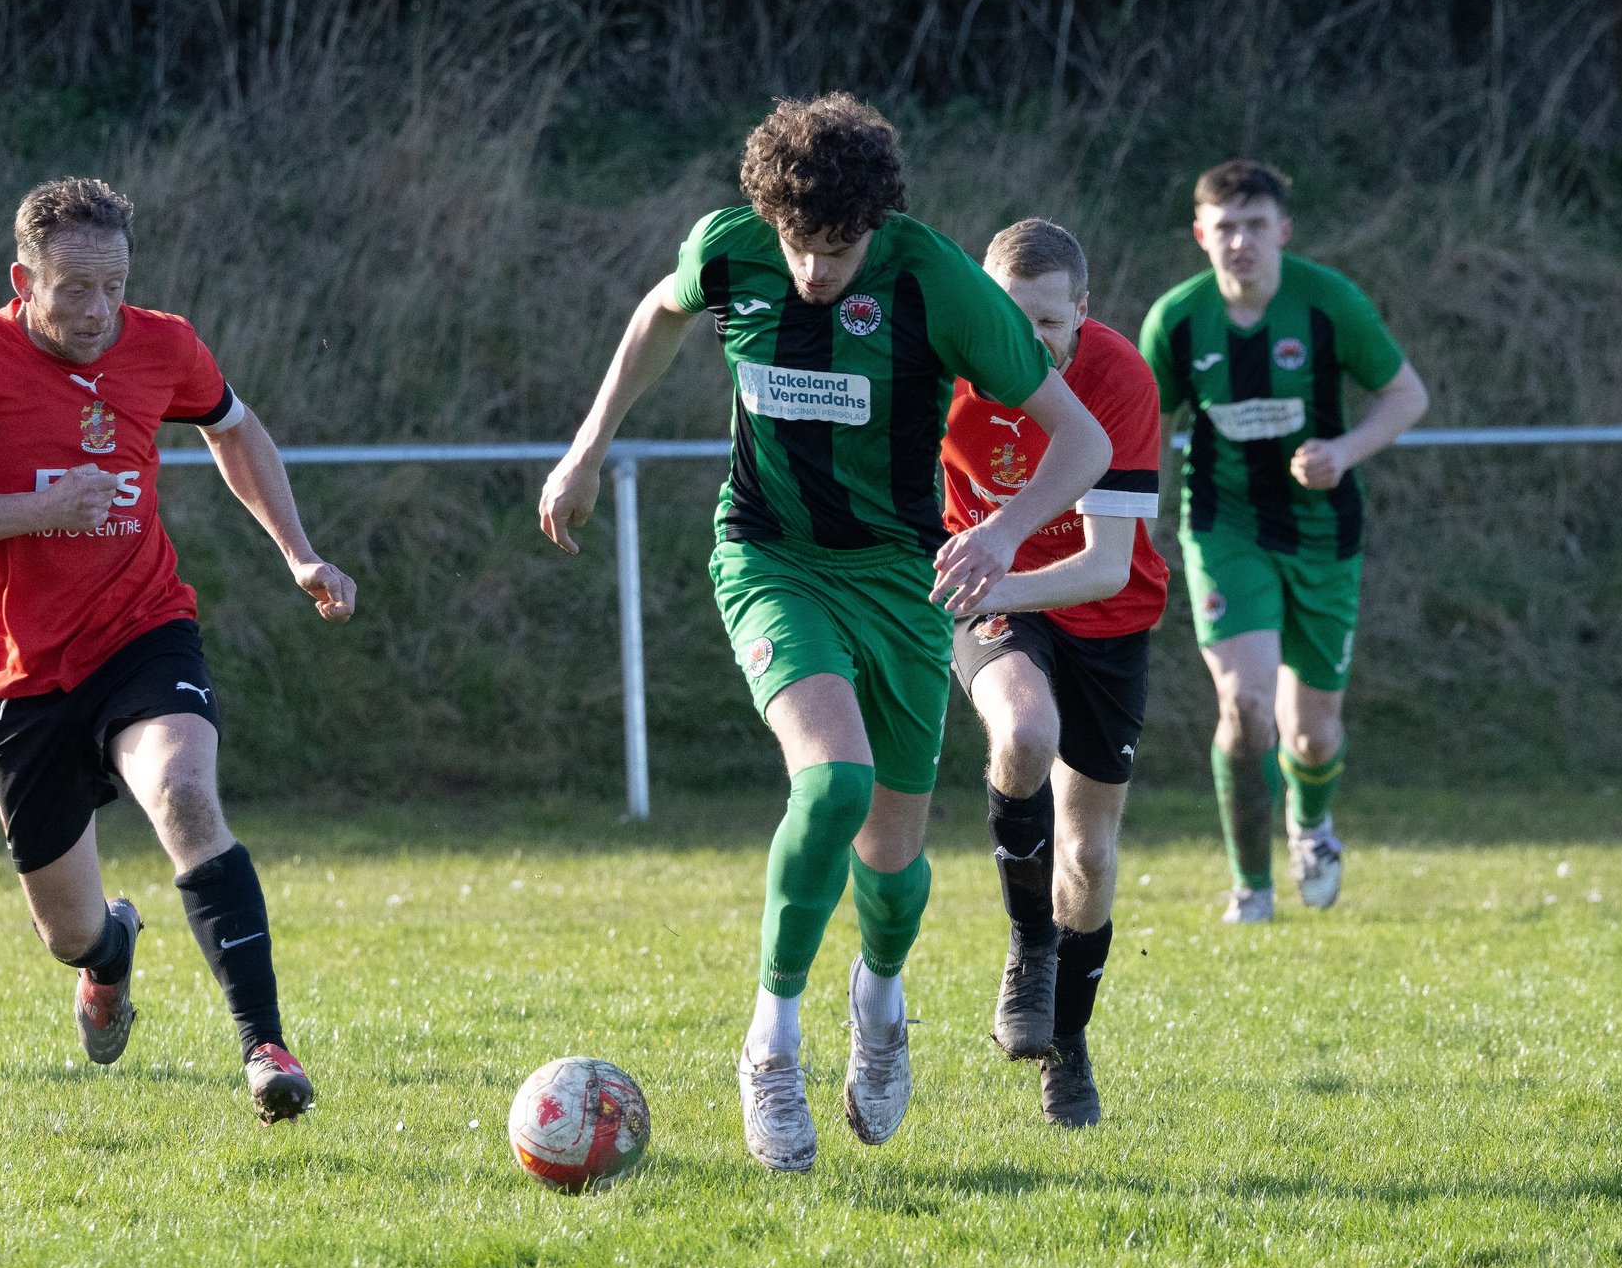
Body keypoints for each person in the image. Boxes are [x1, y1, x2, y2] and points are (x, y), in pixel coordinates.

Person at [538, 95, 1107, 1173]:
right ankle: (770, 1044)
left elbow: (1074, 440)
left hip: (901, 578)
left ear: (875, 224)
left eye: (834, 248)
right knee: (830, 783)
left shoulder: (935, 281)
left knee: (892, 863)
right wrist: (586, 446)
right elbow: (659, 316)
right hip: (768, 557)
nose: (810, 270)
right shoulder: (729, 248)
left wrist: (1002, 530)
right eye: (796, 244)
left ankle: (880, 1005)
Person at [0, 177, 354, 1123]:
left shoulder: (162, 344)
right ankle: (110, 955)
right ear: (25, 279)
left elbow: (235, 428)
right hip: (17, 671)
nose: (99, 312)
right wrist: (39, 510)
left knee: (184, 792)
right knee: (68, 933)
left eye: (115, 286)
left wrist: (299, 552)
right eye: (75, 289)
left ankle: (265, 1047)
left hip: (142, 630)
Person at [1139, 160, 1429, 923]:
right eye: (1225, 228)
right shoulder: (1175, 320)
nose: (1241, 243)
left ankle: (1312, 823)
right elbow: (1148, 428)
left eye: (1256, 226)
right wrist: (1130, 526)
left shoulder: (1329, 303)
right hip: (1223, 528)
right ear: (1201, 235)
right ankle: (1251, 887)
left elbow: (1407, 395)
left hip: (1323, 532)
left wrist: (1346, 451)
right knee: (1246, 703)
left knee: (1310, 730)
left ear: (1283, 232)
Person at [943, 219, 1166, 1127]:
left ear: (1082, 310)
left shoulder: (1118, 378)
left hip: (1104, 614)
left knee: (1088, 853)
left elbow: (1108, 567)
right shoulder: (948, 367)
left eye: (1047, 324)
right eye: (1008, 321)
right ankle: (1028, 944)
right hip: (994, 600)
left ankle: (1067, 1046)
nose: (1026, 343)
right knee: (1024, 731)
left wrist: (997, 565)